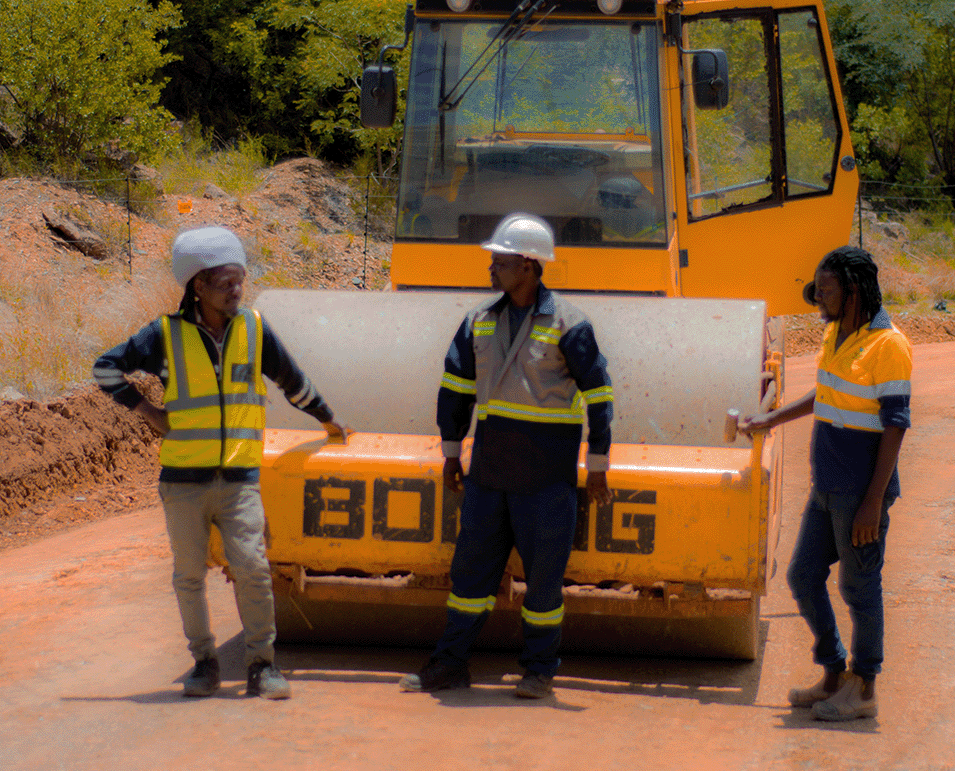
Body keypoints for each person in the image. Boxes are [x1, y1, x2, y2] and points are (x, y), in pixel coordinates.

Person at [93, 226, 348, 700]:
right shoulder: (164, 335)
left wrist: (329, 420)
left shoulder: (254, 329)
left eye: (240, 280)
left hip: (238, 481)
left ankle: (262, 666)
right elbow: (105, 368)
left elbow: (292, 381)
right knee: (189, 577)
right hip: (182, 482)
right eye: (226, 282)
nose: (236, 290)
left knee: (253, 569)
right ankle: (204, 663)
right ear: (199, 285)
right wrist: (148, 411)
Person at [399, 212, 615, 700]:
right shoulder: (478, 321)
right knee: (469, 576)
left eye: (499, 261)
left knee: (543, 585)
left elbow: (600, 397)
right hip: (490, 473)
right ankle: (450, 664)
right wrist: (451, 455)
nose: (491, 269)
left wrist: (598, 466)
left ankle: (539, 671)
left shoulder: (570, 324)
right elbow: (455, 391)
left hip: (547, 478)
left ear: (529, 265)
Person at [739, 245, 911, 722]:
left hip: (860, 492)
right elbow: (827, 393)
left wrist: (872, 503)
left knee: (859, 587)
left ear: (852, 291)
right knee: (802, 575)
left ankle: (865, 687)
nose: (818, 300)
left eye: (826, 291)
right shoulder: (837, 333)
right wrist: (771, 418)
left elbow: (896, 425)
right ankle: (834, 673)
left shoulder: (889, 345)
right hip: (828, 485)